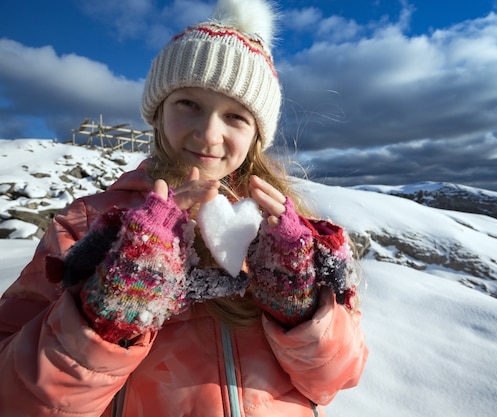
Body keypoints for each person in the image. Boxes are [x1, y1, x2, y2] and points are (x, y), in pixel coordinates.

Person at [0, 0, 368, 415]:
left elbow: (334, 379)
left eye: (235, 116)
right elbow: (14, 396)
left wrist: (300, 309)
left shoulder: (288, 231)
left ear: (255, 136)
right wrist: (108, 317)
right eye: (189, 104)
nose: (209, 134)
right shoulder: (86, 226)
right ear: (157, 112)